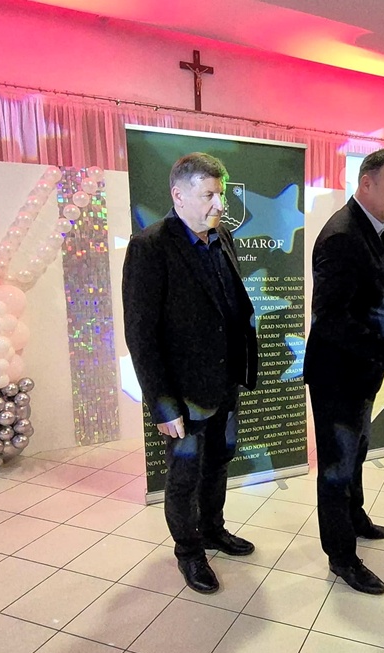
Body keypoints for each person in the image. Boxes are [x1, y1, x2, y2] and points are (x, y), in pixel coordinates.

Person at [122, 152, 258, 595]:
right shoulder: (150, 246)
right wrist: (162, 404)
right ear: (178, 196)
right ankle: (189, 551)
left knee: (219, 461)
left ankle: (213, 529)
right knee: (183, 477)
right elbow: (141, 335)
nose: (219, 204)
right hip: (183, 393)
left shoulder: (223, 237)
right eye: (209, 195)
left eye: (221, 194)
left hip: (225, 382)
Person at [304, 148, 384, 595]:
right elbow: (331, 319)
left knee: (356, 452)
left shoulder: (371, 228)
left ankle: (354, 518)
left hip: (361, 371)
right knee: (336, 467)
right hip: (338, 375)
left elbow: (361, 290)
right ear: (366, 184)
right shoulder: (342, 235)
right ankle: (341, 556)